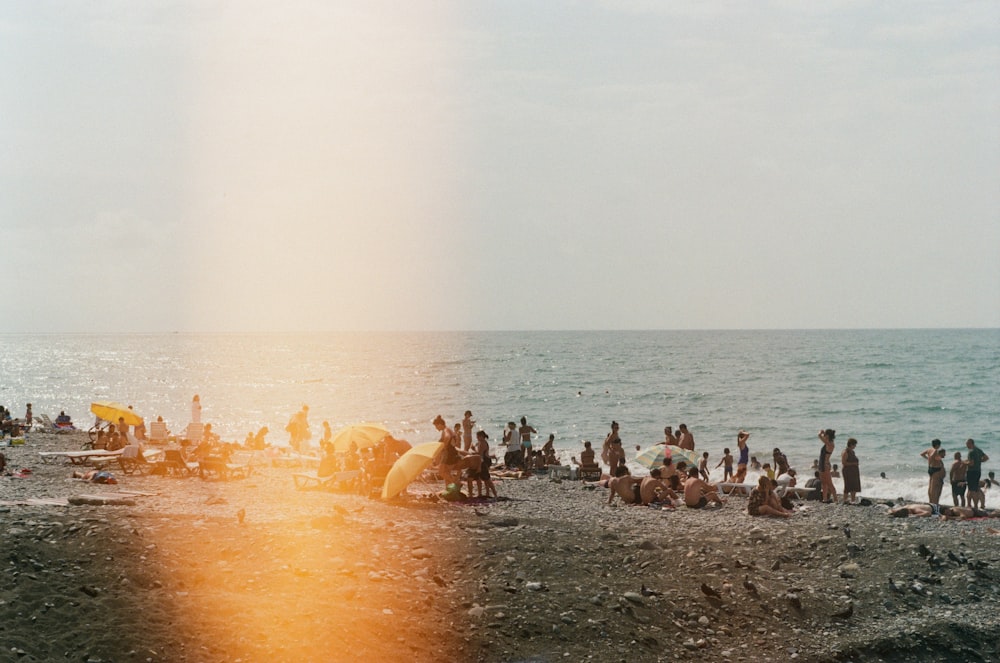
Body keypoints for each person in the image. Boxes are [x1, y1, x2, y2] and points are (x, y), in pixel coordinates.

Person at [921, 438, 946, 505]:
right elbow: (932, 457)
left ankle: (931, 501)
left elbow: (922, 454)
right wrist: (931, 459)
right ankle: (934, 502)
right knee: (934, 487)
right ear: (938, 445)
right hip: (936, 469)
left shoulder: (929, 449)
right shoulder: (935, 450)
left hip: (931, 468)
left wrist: (928, 460)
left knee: (931, 486)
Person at [966, 438, 989, 509]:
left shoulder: (971, 452)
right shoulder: (979, 450)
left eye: (967, 444)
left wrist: (964, 463)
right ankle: (970, 504)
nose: (966, 445)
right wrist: (979, 461)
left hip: (971, 471)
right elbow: (986, 458)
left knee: (972, 489)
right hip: (978, 471)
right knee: (974, 488)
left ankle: (975, 505)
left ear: (971, 443)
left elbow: (971, 463)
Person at [818, 429, 837, 503]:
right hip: (822, 464)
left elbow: (819, 435)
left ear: (827, 436)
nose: (824, 436)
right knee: (824, 483)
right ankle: (825, 499)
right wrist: (823, 433)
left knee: (829, 483)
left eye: (825, 435)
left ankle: (835, 499)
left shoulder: (830, 444)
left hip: (825, 465)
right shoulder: (827, 443)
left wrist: (821, 432)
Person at [841, 437, 861, 505]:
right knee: (847, 486)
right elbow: (844, 462)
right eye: (855, 445)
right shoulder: (845, 452)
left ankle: (853, 500)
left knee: (854, 486)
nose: (855, 446)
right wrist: (853, 463)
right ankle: (845, 500)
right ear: (851, 444)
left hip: (854, 471)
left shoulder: (852, 452)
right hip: (847, 471)